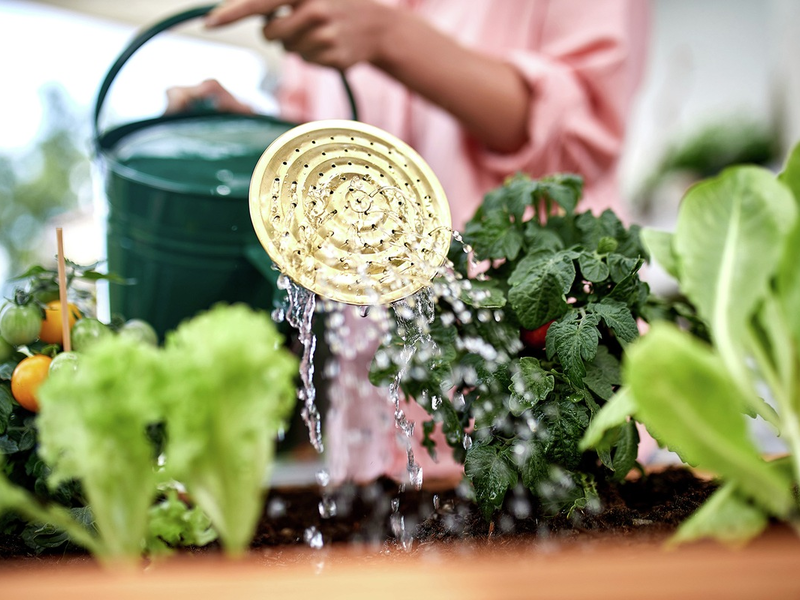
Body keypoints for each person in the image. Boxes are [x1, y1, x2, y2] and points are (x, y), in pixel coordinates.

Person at [169, 0, 650, 485]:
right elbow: (323, 155)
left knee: (555, 517)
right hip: (373, 399)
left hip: (534, 353)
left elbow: (580, 126)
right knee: (385, 526)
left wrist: (386, 34)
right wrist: (250, 129)